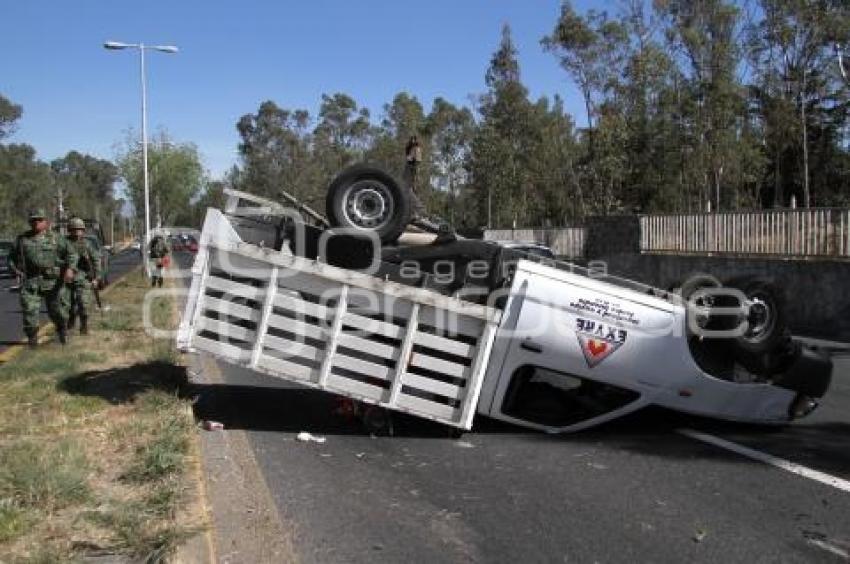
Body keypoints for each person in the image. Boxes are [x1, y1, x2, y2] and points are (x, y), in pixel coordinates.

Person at [9, 209, 77, 346]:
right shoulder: (22, 240)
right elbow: (12, 258)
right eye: (33, 220)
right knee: (29, 312)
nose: (36, 223)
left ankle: (62, 330)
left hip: (53, 282)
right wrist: (15, 270)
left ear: (46, 222)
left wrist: (70, 269)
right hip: (31, 281)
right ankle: (32, 341)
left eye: (39, 220)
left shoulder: (56, 238)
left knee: (57, 312)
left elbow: (72, 254)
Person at [66, 217, 102, 335]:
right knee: (69, 305)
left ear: (83, 230)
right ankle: (70, 321)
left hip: (84, 278)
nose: (77, 232)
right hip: (67, 279)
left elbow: (96, 260)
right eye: (74, 229)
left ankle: (84, 326)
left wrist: (97, 277)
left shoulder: (87, 244)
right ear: (69, 230)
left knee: (84, 304)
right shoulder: (64, 243)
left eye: (79, 229)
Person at [404, 135, 426, 217]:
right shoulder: (411, 148)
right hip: (410, 169)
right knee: (408, 189)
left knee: (411, 189)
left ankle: (418, 211)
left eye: (414, 139)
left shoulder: (417, 148)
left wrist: (415, 174)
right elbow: (408, 157)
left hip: (412, 169)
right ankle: (414, 211)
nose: (413, 141)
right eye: (412, 139)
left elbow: (416, 161)